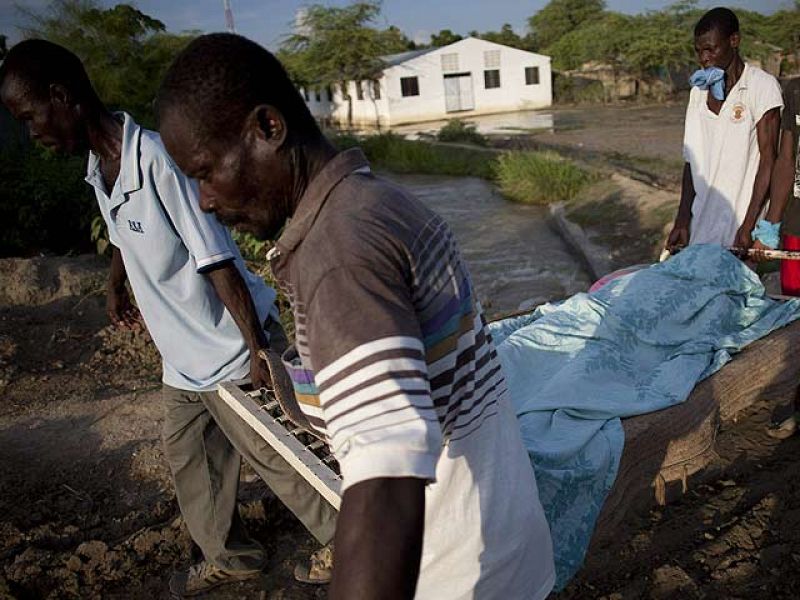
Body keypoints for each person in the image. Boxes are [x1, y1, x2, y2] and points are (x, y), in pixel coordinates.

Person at [156, 33, 556, 600]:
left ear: (268, 129)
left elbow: (387, 478)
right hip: (506, 544)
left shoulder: (338, 253)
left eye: (205, 171)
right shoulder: (376, 202)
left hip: (457, 575)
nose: (203, 200)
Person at [0, 39, 337, 597]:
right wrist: (116, 284)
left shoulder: (155, 159)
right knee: (191, 460)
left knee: (282, 456)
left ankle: (351, 537)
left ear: (62, 97)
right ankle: (232, 557)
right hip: (181, 355)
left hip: (227, 345)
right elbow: (121, 232)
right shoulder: (100, 166)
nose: (31, 131)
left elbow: (218, 259)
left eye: (29, 116)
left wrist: (256, 348)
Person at [666, 7, 782, 254]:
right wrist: (683, 219)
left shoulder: (761, 86)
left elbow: (769, 161)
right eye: (698, 51)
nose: (704, 58)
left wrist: (750, 224)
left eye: (710, 49)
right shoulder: (698, 92)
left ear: (734, 41)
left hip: (739, 227)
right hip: (701, 224)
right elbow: (691, 161)